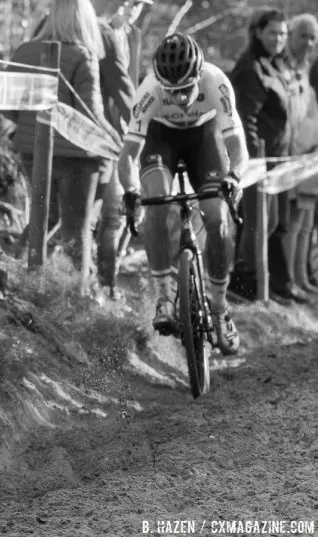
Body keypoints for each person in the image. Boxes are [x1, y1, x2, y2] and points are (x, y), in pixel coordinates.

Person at [118, 33, 248, 356]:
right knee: (156, 202)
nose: (180, 99)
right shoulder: (148, 92)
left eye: (187, 89)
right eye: (172, 92)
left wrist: (234, 176)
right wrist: (131, 190)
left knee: (216, 217)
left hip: (204, 140)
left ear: (199, 75)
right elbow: (127, 156)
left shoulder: (217, 82)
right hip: (161, 140)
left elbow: (238, 148)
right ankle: (164, 297)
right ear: (160, 84)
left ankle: (219, 308)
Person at [11, 0, 116, 281]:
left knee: (42, 219)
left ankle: (9, 272)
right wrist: (118, 141)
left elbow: (7, 102)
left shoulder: (24, 51)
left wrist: (25, 126)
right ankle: (75, 301)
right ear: (84, 20)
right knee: (76, 231)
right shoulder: (83, 55)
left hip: (32, 151)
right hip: (78, 159)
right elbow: (90, 115)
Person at [229, 9, 308, 304]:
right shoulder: (250, 68)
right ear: (258, 32)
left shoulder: (274, 65)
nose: (279, 39)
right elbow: (245, 117)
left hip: (277, 159)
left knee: (270, 223)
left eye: (283, 33)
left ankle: (262, 286)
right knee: (255, 223)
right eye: (273, 32)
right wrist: (252, 160)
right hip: (256, 161)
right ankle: (244, 284)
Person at [93, 0, 152, 299]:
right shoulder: (101, 30)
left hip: (124, 132)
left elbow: (132, 83)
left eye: (141, 4)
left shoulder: (133, 34)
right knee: (112, 215)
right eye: (130, 1)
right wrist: (140, 124)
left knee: (122, 212)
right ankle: (104, 285)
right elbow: (118, 85)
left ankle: (105, 283)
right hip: (102, 130)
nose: (134, 8)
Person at [285, 14, 318, 295]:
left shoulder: (305, 67)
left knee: (306, 221)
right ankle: (292, 280)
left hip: (310, 156)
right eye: (303, 35)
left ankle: (302, 277)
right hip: (296, 155)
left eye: (313, 37)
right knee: (293, 222)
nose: (309, 42)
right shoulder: (287, 67)